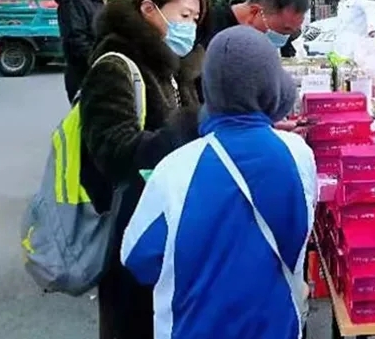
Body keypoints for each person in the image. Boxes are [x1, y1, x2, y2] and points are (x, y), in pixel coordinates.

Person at [121, 25, 317, 339]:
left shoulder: (174, 169)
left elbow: (138, 258)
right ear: (273, 87)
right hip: (276, 327)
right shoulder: (299, 155)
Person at [79, 0, 208, 339]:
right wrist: (188, 125)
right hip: (131, 229)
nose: (190, 27)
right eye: (184, 15)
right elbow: (112, 152)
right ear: (149, 9)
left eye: (195, 18)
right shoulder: (115, 66)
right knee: (135, 323)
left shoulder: (174, 68)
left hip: (169, 221)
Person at [196, 0, 310, 101]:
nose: (284, 37)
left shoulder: (263, 44)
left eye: (291, 32)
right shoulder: (206, 29)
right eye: (284, 30)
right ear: (255, 12)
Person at [56, 0, 115, 103]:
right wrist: (101, 62)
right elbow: (76, 41)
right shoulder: (73, 1)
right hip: (84, 77)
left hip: (101, 74)